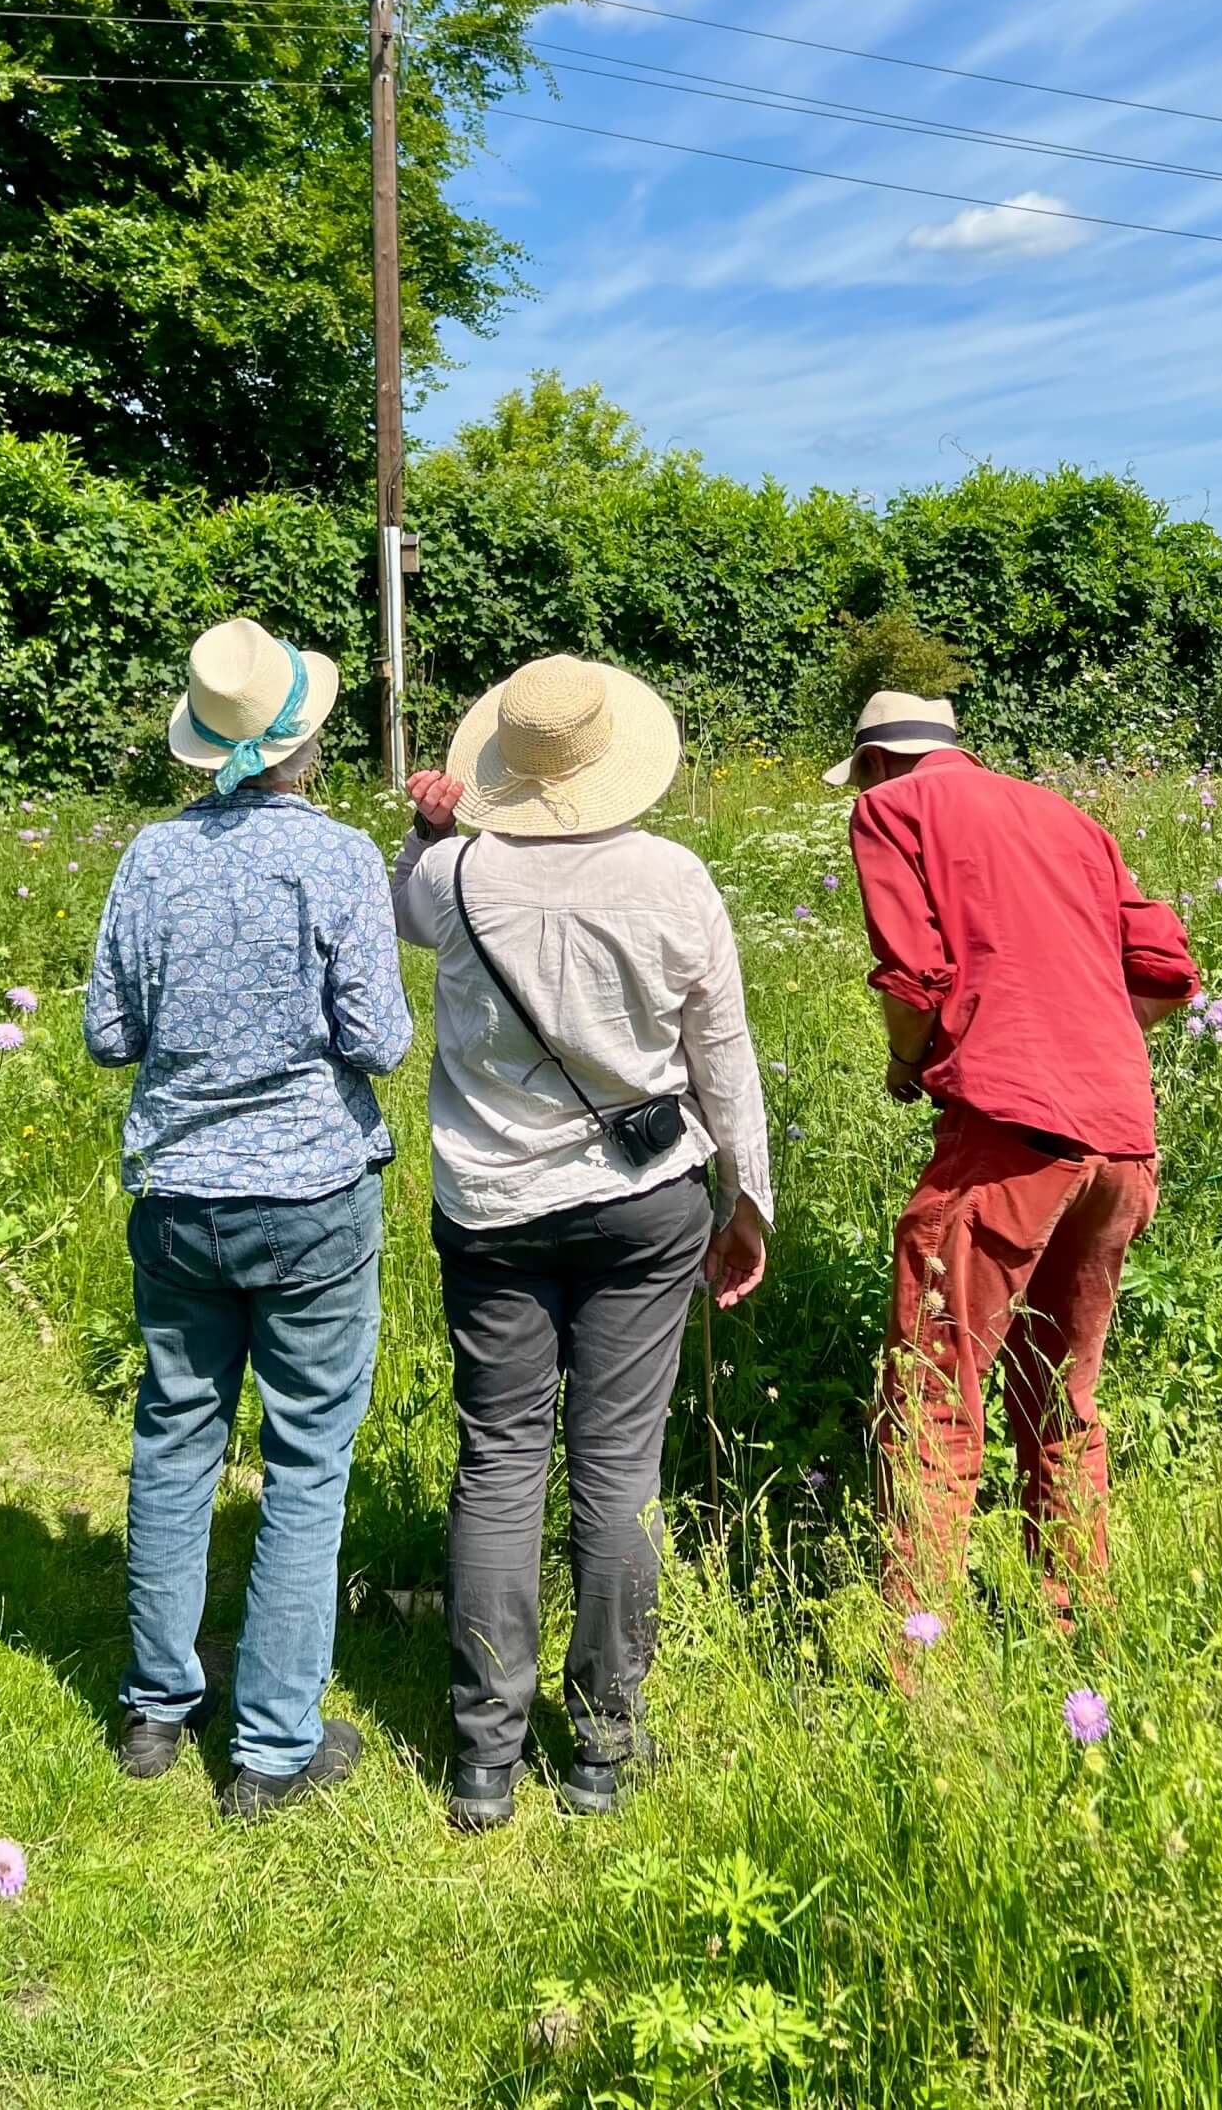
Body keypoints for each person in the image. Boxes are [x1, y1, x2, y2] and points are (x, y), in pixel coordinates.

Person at [396, 654, 771, 1832]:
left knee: (499, 1462)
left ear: (503, 765)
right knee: (619, 1470)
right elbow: (724, 1050)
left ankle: (482, 1757)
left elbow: (407, 910)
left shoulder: (453, 874)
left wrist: (422, 828)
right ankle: (602, 1743)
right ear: (613, 757)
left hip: (494, 1204)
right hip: (644, 1198)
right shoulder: (673, 875)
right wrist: (747, 1197)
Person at [85, 617, 412, 1812]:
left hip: (178, 1191)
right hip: (311, 1194)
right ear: (304, 739)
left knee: (175, 1438)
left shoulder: (149, 857)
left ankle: (156, 1706)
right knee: (307, 1460)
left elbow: (110, 1035)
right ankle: (274, 1748)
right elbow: (379, 1037)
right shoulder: (332, 859)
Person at [828, 689, 1198, 1619]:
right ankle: (1074, 1622)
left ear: (875, 761)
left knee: (933, 1393)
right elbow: (1165, 971)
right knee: (1063, 1393)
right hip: (1119, 1139)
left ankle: (916, 1661)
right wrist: (1090, 1039)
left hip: (1007, 1134)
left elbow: (912, 979)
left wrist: (906, 1063)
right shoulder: (1064, 814)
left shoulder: (889, 809)